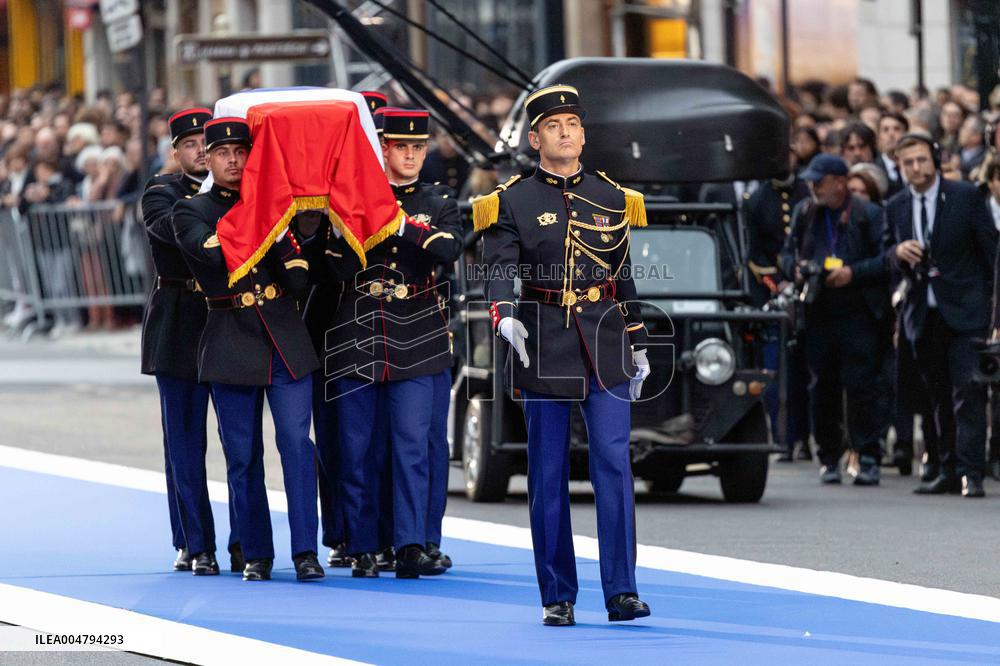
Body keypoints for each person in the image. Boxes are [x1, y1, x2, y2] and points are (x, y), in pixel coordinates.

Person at [477, 85, 651, 626]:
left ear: (583, 134)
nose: (566, 133)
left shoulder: (612, 196)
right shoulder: (511, 200)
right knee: (547, 473)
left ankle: (622, 590)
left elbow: (622, 275)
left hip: (605, 338)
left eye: (573, 124)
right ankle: (557, 594)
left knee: (614, 466)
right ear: (535, 138)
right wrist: (504, 315)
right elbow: (500, 266)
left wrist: (639, 339)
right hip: (543, 337)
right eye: (554, 126)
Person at [172, 117, 324, 579]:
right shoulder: (191, 211)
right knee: (242, 454)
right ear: (209, 160)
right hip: (229, 337)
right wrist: (265, 217)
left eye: (241, 152)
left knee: (298, 445)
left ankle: (305, 552)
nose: (233, 160)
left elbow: (298, 275)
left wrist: (283, 223)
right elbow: (216, 254)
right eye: (222, 153)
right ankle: (257, 553)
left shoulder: (275, 206)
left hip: (282, 335)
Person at [325, 108, 460, 579]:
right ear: (382, 148)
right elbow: (337, 267)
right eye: (401, 147)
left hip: (418, 329)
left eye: (418, 147)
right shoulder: (350, 198)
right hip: (358, 326)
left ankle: (411, 542)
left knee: (412, 445)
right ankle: (362, 544)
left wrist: (397, 226)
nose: (410, 155)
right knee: (358, 446)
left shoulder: (438, 199)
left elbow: (447, 249)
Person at [140, 108, 241, 574]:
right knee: (184, 442)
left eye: (209, 144)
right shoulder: (162, 192)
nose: (202, 151)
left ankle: (245, 541)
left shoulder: (237, 194)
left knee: (240, 442)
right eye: (192, 144)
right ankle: (195, 543)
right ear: (176, 151)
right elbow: (172, 234)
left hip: (227, 319)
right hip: (179, 321)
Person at [885, 134, 997, 497]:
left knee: (968, 392)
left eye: (921, 160)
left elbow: (991, 253)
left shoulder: (965, 196)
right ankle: (945, 466)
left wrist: (990, 309)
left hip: (966, 312)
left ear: (934, 159)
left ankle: (971, 472)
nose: (916, 168)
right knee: (935, 396)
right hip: (922, 312)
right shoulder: (898, 204)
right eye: (907, 163)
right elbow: (887, 255)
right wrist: (898, 252)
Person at [781, 154, 888, 486]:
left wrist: (852, 273)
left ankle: (867, 455)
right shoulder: (806, 212)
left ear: (840, 182)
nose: (813, 187)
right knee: (822, 388)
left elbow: (886, 260)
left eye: (820, 180)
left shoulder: (868, 214)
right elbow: (787, 253)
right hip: (818, 312)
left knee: (861, 387)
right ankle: (828, 456)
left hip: (857, 313)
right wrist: (795, 269)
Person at [745, 164, 812, 460]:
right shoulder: (758, 198)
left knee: (804, 373)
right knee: (774, 369)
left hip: (806, 287)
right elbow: (754, 249)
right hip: (772, 291)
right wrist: (776, 282)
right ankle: (782, 434)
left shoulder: (806, 193)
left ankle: (803, 437)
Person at [877, 112, 909, 198]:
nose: (891, 134)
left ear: (905, 135)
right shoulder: (874, 169)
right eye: (885, 130)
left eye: (896, 129)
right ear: (879, 137)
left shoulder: (915, 165)